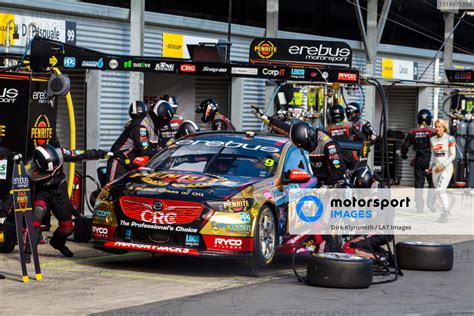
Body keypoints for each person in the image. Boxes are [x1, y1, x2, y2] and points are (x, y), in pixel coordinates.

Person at [26, 144, 110, 259]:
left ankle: (57, 243)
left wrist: (102, 154)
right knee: (38, 213)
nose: (55, 170)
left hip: (60, 192)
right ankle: (28, 251)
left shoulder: (60, 153)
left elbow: (81, 155)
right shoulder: (29, 169)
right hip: (43, 192)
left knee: (67, 228)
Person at [107, 100, 174, 182]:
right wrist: (163, 155)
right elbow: (145, 150)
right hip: (121, 162)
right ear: (156, 116)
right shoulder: (141, 126)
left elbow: (159, 147)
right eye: (163, 120)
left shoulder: (156, 129)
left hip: (135, 165)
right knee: (115, 189)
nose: (163, 124)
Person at [401, 109, 436, 212]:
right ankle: (430, 202)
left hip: (419, 160)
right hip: (430, 159)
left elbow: (405, 146)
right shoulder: (433, 131)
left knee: (419, 184)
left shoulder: (413, 131)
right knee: (432, 182)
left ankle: (419, 207)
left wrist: (404, 155)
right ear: (429, 119)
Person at [429, 119, 456, 222]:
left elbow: (453, 155)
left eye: (440, 126)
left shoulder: (450, 139)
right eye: (436, 126)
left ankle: (445, 212)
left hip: (446, 168)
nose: (437, 128)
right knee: (438, 191)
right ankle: (444, 213)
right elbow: (432, 154)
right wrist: (430, 166)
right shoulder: (432, 139)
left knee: (440, 189)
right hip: (436, 169)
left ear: (444, 128)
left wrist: (443, 165)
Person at [326, 105, 365, 170]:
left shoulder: (328, 129)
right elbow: (362, 137)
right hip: (351, 157)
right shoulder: (349, 125)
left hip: (336, 158)